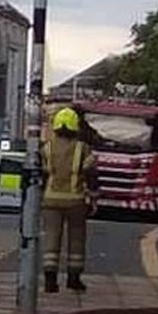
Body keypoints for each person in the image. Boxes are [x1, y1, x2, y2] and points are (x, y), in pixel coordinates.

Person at [42, 106, 96, 294]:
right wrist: (94, 197)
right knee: (76, 240)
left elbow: (41, 174)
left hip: (51, 201)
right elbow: (92, 174)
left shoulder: (46, 148)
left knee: (51, 238)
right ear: (76, 126)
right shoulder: (83, 148)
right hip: (76, 201)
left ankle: (50, 280)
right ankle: (74, 279)